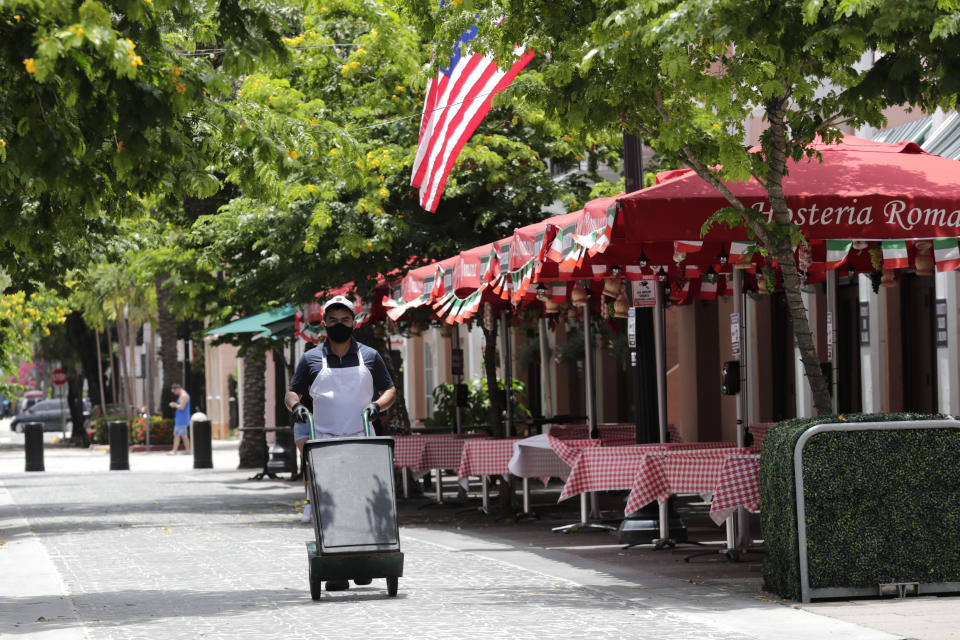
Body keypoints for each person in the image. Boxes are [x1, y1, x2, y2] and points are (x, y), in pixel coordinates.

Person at [285, 295, 396, 591]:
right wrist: (296, 407)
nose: (339, 325)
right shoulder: (310, 358)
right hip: (324, 443)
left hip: (363, 439)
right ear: (324, 325)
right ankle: (335, 568)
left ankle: (365, 560)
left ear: (354, 322)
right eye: (333, 320)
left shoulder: (370, 356)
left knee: (365, 500)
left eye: (345, 320)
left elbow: (389, 390)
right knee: (330, 505)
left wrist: (378, 406)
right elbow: (293, 392)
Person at [168, 383, 191, 455]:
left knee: (178, 435)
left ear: (177, 389)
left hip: (182, 419)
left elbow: (182, 407)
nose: (174, 393)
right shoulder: (182, 395)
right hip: (180, 418)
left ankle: (175, 451)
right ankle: (187, 450)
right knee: (182, 435)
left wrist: (174, 405)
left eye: (174, 391)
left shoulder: (184, 396)